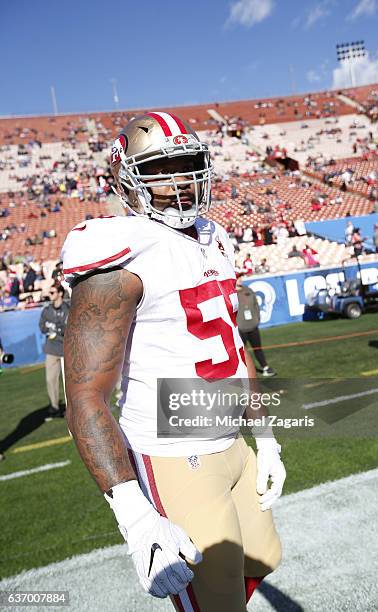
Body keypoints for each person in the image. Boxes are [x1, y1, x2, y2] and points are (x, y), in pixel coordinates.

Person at [62, 112, 285, 611]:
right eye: (163, 169)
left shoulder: (214, 236)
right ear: (127, 180)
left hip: (231, 442)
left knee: (264, 556)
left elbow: (233, 345)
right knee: (216, 600)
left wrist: (265, 436)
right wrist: (135, 516)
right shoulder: (121, 252)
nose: (181, 181)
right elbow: (84, 393)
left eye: (188, 165)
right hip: (172, 453)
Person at [39, 284, 69, 419]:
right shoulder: (46, 310)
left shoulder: (68, 309)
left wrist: (54, 328)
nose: (50, 295)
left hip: (65, 349)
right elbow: (42, 326)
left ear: (60, 293)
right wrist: (55, 328)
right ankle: (54, 407)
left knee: (68, 381)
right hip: (51, 349)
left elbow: (66, 328)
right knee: (50, 380)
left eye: (52, 292)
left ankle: (72, 407)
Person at [236, 274, 276, 377]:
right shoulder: (231, 294)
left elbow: (256, 305)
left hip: (253, 326)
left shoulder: (248, 290)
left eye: (240, 277)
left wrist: (256, 319)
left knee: (258, 348)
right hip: (240, 328)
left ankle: (265, 367)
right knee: (242, 353)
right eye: (237, 277)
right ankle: (245, 373)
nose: (240, 279)